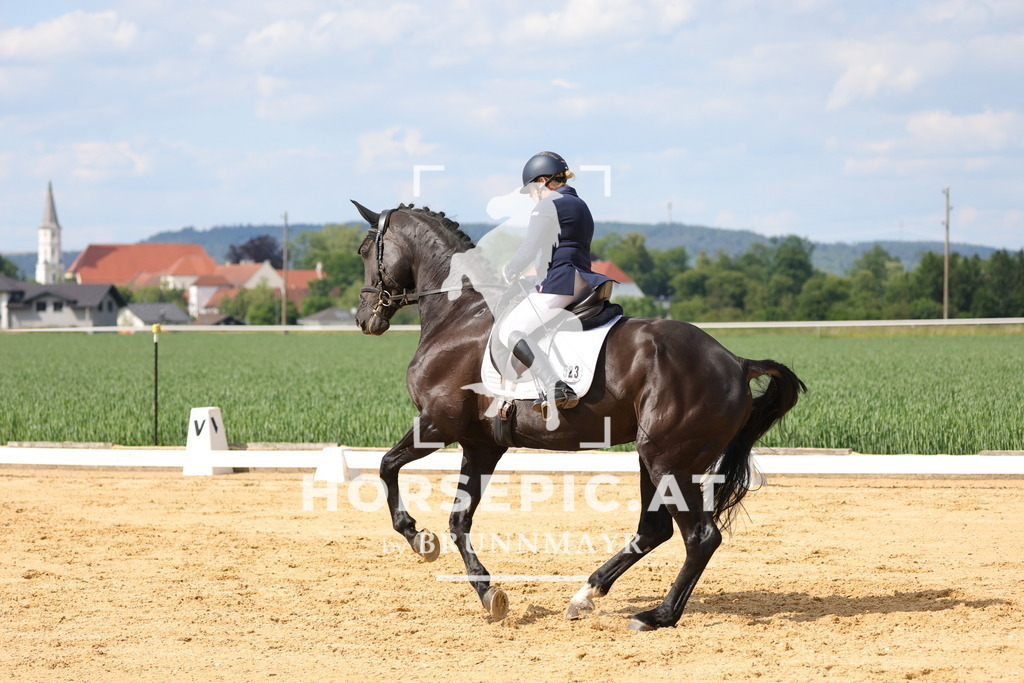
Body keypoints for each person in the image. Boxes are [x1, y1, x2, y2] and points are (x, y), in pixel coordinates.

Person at [498, 151, 612, 418]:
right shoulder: (578, 203)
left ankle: (554, 385)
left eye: (532, 191)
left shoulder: (549, 204)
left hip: (561, 280)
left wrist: (510, 269)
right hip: (583, 279)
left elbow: (530, 246)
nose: (532, 198)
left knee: (511, 329)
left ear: (542, 181)